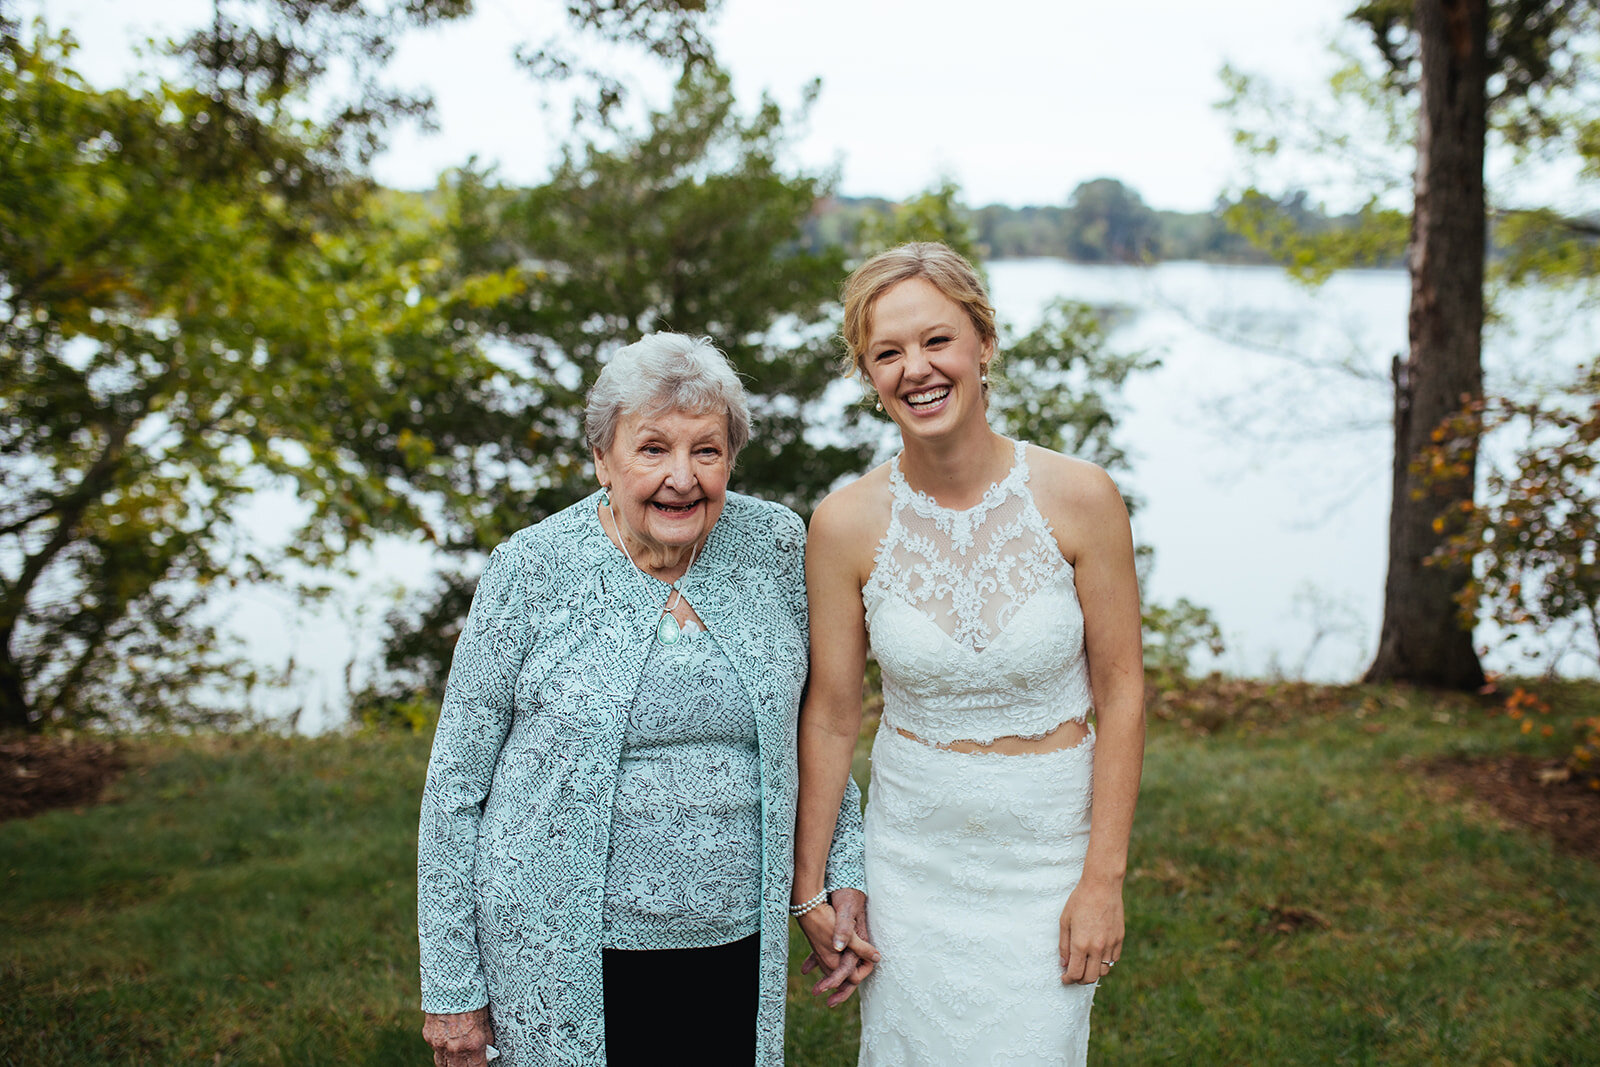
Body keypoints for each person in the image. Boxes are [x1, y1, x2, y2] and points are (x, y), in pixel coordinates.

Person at [417, 333, 873, 1067]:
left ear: (732, 459)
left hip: (735, 939)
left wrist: (838, 870)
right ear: (603, 458)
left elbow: (814, 726)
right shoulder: (531, 569)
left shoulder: (777, 546)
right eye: (653, 449)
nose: (681, 478)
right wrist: (449, 985)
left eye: (707, 450)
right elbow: (454, 786)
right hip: (559, 947)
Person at [792, 243, 1146, 1064]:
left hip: (1049, 860)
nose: (916, 368)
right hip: (913, 861)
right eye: (888, 353)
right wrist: (811, 884)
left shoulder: (1081, 497)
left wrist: (1104, 878)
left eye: (937, 340)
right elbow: (834, 715)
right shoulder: (843, 525)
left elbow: (1122, 691)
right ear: (869, 374)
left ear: (983, 344)